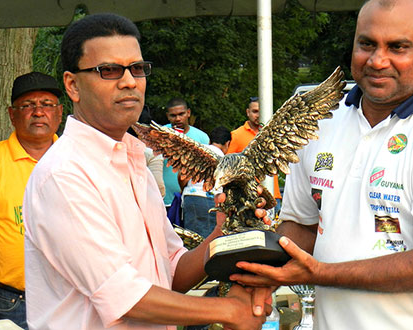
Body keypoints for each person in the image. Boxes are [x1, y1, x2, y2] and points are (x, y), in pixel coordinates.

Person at [230, 1, 413, 329]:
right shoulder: (320, 125)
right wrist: (254, 245)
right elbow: (302, 229)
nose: (378, 61)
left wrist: (321, 274)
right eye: (367, 44)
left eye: (398, 47)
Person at [22, 13, 267, 329]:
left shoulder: (134, 160)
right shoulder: (64, 175)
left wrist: (225, 233)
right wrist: (229, 311)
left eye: (137, 69)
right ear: (73, 85)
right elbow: (124, 297)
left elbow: (172, 273)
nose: (128, 81)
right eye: (108, 70)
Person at [0, 72, 63, 328]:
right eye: (28, 105)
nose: (39, 112)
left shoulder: (78, 160)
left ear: (60, 112)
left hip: (76, 296)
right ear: (12, 114)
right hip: (16, 302)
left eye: (47, 104)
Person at [228, 97, 282, 213]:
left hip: (274, 195)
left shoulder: (272, 135)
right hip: (250, 197)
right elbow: (228, 168)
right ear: (248, 112)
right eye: (255, 111)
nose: (258, 115)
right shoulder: (236, 136)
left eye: (262, 111)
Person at [180, 126, 231, 238]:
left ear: (210, 141)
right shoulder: (225, 160)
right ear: (227, 143)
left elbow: (182, 177)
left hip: (192, 198)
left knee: (192, 241)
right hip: (213, 201)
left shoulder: (197, 151)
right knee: (209, 243)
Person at [162, 98, 209, 208]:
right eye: (173, 115)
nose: (178, 119)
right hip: (164, 200)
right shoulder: (161, 134)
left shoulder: (202, 138)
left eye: (181, 114)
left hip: (193, 198)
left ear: (188, 113)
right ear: (167, 116)